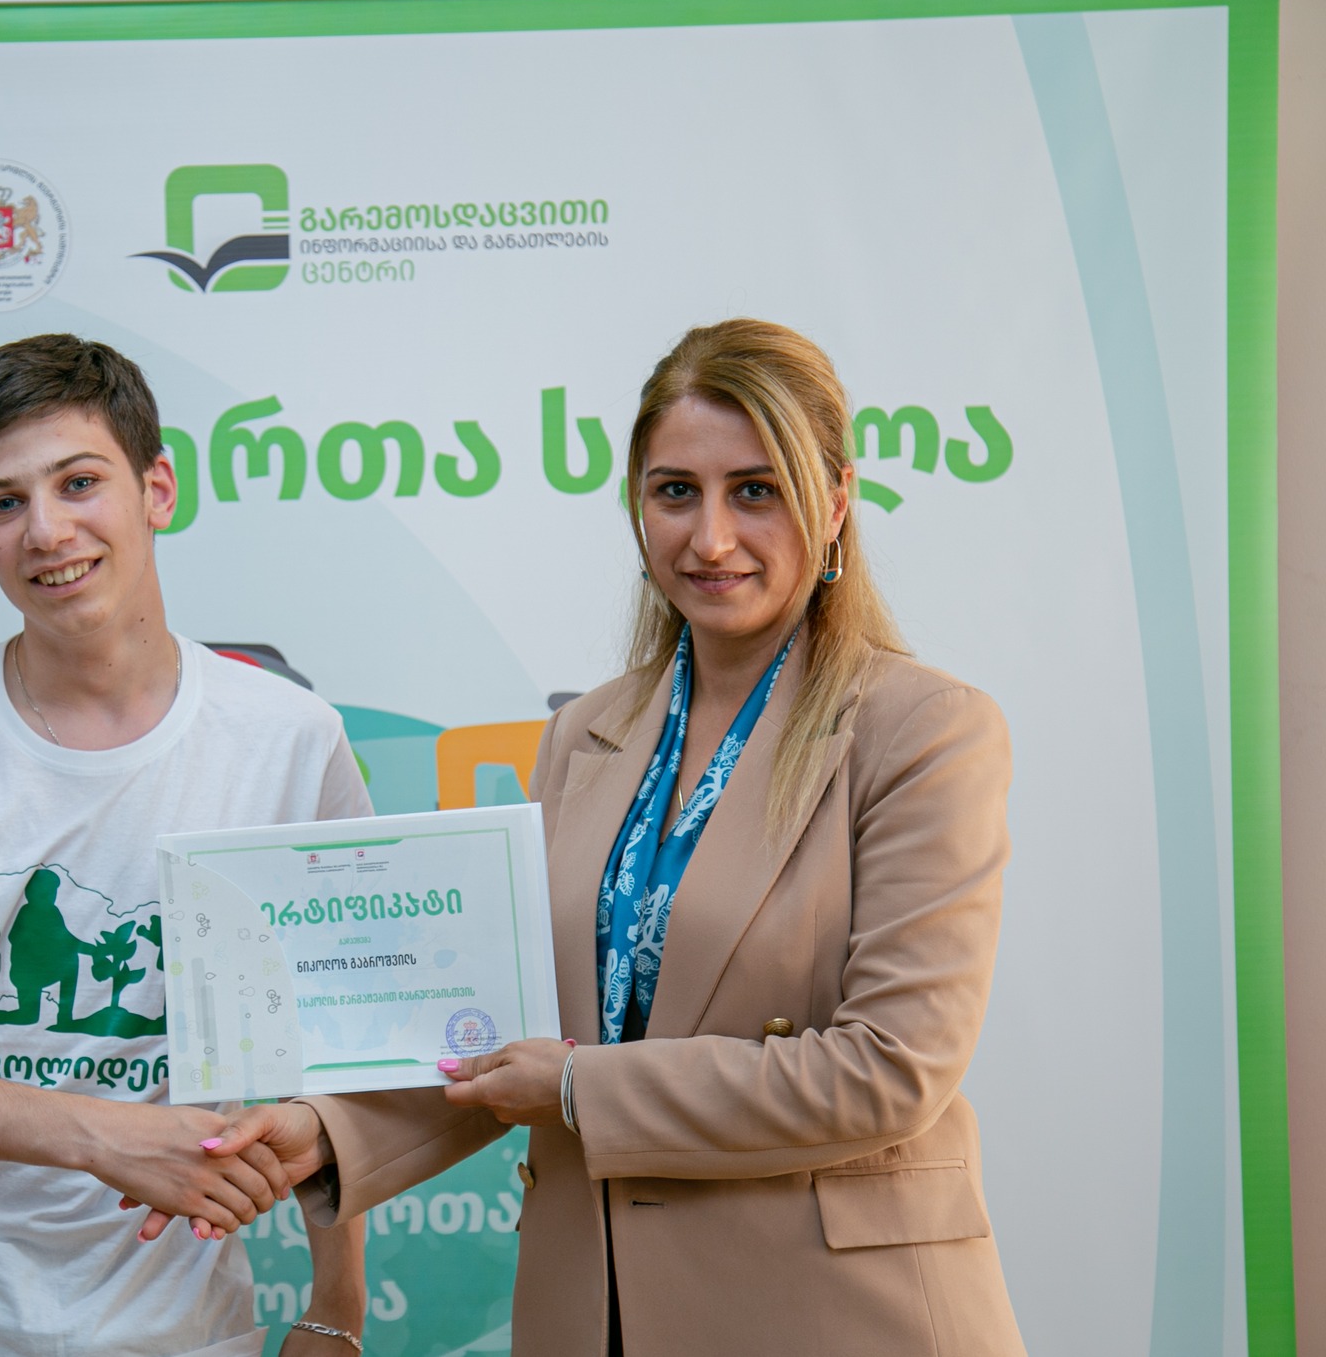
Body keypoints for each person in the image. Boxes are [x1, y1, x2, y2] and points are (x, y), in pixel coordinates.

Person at [199, 319, 1027, 1355]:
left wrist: (574, 1087)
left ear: (834, 503)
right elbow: (504, 1036)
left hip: (836, 1315)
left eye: (756, 490)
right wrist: (327, 1132)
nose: (709, 538)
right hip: (595, 1310)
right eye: (675, 491)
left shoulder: (923, 730)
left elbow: (889, 1069)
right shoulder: (584, 735)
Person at [0, 334, 370, 1357]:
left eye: (79, 482)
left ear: (157, 489)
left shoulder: (290, 739)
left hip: (182, 1321)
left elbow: (344, 1041)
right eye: (3, 503)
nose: (47, 530)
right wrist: (105, 1137)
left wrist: (337, 1307)